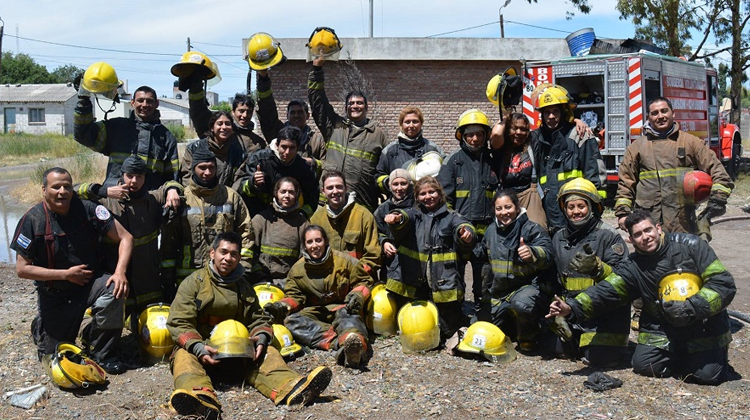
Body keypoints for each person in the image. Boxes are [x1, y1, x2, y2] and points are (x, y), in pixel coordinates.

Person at [548, 209, 736, 384]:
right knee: (645, 366)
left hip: (703, 325)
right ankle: (683, 354)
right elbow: (606, 292)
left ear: (658, 228)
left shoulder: (692, 246)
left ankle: (710, 353)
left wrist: (692, 306)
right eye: (638, 234)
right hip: (662, 328)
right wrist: (571, 308)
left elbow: (723, 284)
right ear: (630, 239)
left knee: (708, 376)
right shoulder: (633, 266)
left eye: (648, 230)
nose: (645, 237)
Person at [167, 232, 332, 418]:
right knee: (183, 355)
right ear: (212, 253)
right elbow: (179, 322)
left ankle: (292, 388)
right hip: (204, 353)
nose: (228, 258)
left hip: (239, 355)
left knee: (269, 352)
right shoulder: (193, 284)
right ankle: (199, 399)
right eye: (223, 252)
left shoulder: (244, 287)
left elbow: (258, 319)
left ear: (239, 258)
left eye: (234, 254)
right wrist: (198, 348)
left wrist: (261, 337)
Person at [11, 167, 133, 374]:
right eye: (56, 187)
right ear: (44, 190)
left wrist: (120, 272)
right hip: (55, 293)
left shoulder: (88, 208)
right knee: (55, 356)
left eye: (67, 186)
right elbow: (22, 269)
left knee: (114, 290)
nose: (62, 192)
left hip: (90, 284)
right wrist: (65, 274)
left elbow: (126, 238)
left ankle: (102, 353)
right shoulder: (32, 220)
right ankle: (41, 327)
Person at [75, 155, 184, 325]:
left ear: (145, 177)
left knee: (153, 324)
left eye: (139, 176)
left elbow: (172, 185)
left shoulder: (153, 199)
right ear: (122, 175)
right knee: (109, 317)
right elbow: (71, 192)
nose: (134, 181)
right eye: (130, 176)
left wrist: (171, 190)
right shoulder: (106, 201)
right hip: (114, 273)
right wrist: (103, 190)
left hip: (147, 277)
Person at [614, 96, 733, 238]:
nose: (660, 116)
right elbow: (626, 183)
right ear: (649, 117)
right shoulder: (637, 148)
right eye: (655, 113)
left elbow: (720, 175)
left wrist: (713, 207)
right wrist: (623, 213)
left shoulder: (691, 143)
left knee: (685, 259)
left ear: (673, 113)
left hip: (683, 223)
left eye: (664, 111)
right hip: (649, 225)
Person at [264, 226, 372, 368]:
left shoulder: (345, 261)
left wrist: (356, 296)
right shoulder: (297, 270)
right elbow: (295, 296)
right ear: (305, 246)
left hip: (343, 308)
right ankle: (339, 342)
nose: (314, 246)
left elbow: (364, 282)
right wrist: (282, 306)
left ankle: (355, 345)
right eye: (310, 242)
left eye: (318, 240)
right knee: (291, 321)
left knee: (350, 316)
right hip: (315, 312)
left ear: (326, 241)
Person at [384, 176, 476, 340]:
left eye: (432, 192)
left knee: (449, 331)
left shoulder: (451, 216)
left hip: (444, 284)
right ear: (417, 197)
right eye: (423, 194)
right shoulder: (414, 214)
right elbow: (403, 216)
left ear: (440, 193)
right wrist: (396, 218)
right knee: (413, 326)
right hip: (415, 283)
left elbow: (463, 225)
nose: (428, 197)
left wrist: (466, 233)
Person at [549, 178, 629, 366]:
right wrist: (557, 312)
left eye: (581, 206)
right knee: (554, 348)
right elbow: (554, 280)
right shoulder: (559, 238)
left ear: (592, 207)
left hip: (602, 315)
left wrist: (598, 269)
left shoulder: (609, 236)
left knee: (597, 358)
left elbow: (625, 280)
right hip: (572, 312)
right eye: (571, 207)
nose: (576, 212)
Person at [161, 143, 255, 285]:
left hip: (225, 276)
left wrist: (245, 267)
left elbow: (246, 232)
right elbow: (169, 240)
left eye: (211, 167)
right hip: (189, 277)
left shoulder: (231, 197)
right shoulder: (182, 199)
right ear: (193, 169)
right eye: (202, 168)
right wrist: (168, 276)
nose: (207, 172)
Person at [308, 55, 389, 211]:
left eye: (359, 103)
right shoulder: (334, 126)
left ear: (366, 108)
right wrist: (317, 69)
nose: (355, 106)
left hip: (361, 204)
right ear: (345, 108)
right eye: (351, 103)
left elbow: (385, 168)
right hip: (326, 203)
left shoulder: (378, 135)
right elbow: (318, 102)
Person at [437, 109, 499, 310]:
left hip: (487, 231)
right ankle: (459, 311)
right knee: (457, 273)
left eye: (479, 134)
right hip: (461, 231)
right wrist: (452, 226)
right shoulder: (452, 162)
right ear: (462, 136)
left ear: (485, 136)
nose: (474, 138)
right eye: (469, 134)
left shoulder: (493, 161)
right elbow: (444, 200)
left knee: (485, 274)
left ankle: (484, 310)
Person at [477, 189, 552, 353]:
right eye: (499, 208)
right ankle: (512, 327)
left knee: (522, 305)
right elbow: (483, 260)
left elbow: (548, 253)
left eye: (508, 207)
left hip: (526, 289)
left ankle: (528, 337)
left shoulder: (532, 229)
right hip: (499, 293)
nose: (504, 212)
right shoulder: (490, 231)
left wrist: (533, 253)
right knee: (481, 329)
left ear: (517, 207)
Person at [74, 85, 181, 195]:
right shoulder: (116, 127)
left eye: (149, 101)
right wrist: (84, 101)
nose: (144, 105)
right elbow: (84, 135)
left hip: (149, 203)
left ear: (156, 104)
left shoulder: (167, 137)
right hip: (115, 199)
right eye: (140, 100)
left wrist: (171, 190)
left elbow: (173, 176)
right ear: (133, 103)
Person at [529, 84, 605, 234]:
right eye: (547, 112)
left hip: (575, 211)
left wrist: (595, 208)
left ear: (563, 112)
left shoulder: (580, 135)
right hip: (547, 211)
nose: (551, 116)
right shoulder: (536, 138)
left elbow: (594, 174)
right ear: (542, 115)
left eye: (555, 111)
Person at [310, 170, 381, 282]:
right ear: (323, 192)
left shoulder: (364, 216)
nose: (335, 191)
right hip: (327, 283)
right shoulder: (316, 219)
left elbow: (373, 256)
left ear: (346, 188)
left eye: (339, 187)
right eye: (330, 188)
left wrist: (353, 275)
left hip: (359, 280)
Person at [236, 125, 319, 217]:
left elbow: (313, 197)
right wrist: (253, 183)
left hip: (291, 219)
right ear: (277, 145)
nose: (287, 152)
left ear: (297, 148)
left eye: (292, 148)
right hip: (259, 216)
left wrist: (302, 215)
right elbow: (241, 189)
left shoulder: (304, 168)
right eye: (284, 147)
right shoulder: (259, 160)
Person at [255, 69, 326, 176]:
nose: (296, 115)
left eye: (300, 112)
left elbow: (327, 165)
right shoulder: (277, 132)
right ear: (287, 115)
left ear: (307, 115)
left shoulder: (318, 140)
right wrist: (263, 78)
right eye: (293, 112)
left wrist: (314, 163)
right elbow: (267, 112)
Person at [183, 72, 267, 156]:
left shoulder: (258, 143)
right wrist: (196, 85)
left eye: (248, 112)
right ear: (233, 112)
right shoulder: (221, 134)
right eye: (241, 111)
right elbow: (199, 113)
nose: (244, 115)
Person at [490, 112, 547, 230]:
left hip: (529, 196)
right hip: (507, 199)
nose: (519, 132)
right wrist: (506, 118)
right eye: (514, 128)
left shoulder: (533, 143)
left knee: (539, 230)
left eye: (523, 129)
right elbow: (496, 133)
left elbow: (551, 126)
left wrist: (577, 121)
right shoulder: (501, 148)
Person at [251, 177, 310, 287]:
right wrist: (259, 275)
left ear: (297, 195)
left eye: (291, 192)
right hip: (260, 280)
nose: (287, 196)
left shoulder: (303, 224)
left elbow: (304, 258)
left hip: (290, 283)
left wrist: (292, 280)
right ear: (276, 193)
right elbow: (249, 252)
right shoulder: (261, 219)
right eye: (283, 192)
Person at [375, 106, 444, 194]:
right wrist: (388, 182)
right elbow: (378, 176)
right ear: (401, 124)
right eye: (407, 122)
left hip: (426, 202)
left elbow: (445, 175)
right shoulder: (390, 151)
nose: (411, 125)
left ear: (421, 123)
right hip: (399, 203)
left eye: (415, 121)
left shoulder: (433, 149)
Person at [179, 111, 247, 188]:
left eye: (227, 124)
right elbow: (186, 178)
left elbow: (239, 180)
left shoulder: (239, 154)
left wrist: (227, 196)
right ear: (212, 127)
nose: (224, 127)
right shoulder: (194, 149)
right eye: (220, 124)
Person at [373, 169, 414, 283]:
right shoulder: (382, 209)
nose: (399, 188)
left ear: (410, 185)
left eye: (403, 183)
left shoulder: (417, 206)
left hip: (415, 264)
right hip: (390, 264)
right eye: (395, 184)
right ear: (390, 186)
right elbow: (375, 231)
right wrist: (384, 242)